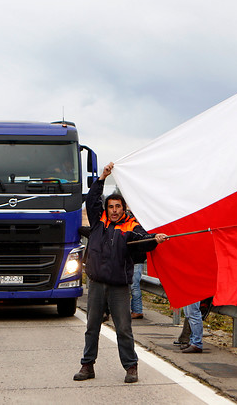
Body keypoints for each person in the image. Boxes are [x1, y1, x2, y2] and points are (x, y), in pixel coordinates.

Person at [74, 162, 168, 384]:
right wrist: (102, 178)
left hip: (119, 287)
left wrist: (155, 239)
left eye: (118, 206)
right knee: (92, 327)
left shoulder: (132, 227)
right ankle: (87, 365)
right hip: (96, 284)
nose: (114, 210)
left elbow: (144, 241)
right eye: (111, 207)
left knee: (124, 329)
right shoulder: (99, 222)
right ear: (106, 209)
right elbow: (91, 200)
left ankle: (131, 367)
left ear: (124, 208)